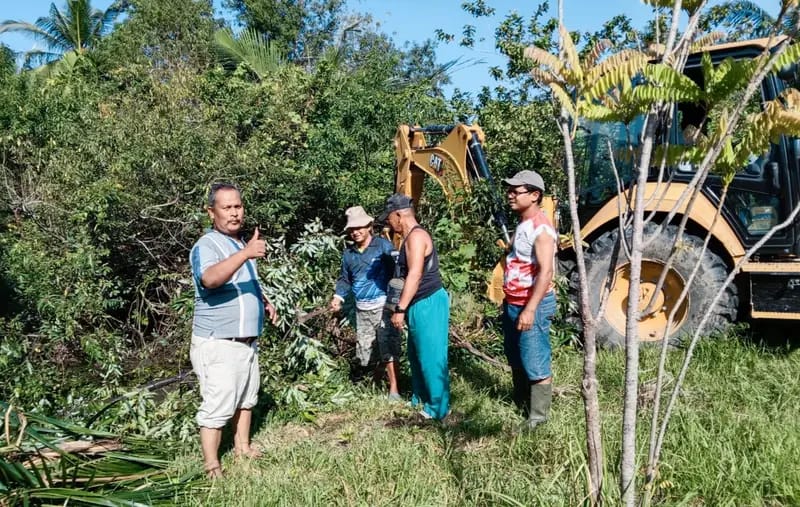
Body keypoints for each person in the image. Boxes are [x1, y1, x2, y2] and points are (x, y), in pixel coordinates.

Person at [189, 182, 278, 479]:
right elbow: (211, 279)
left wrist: (263, 301)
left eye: (237, 206)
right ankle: (212, 466)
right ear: (211, 211)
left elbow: (241, 281)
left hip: (245, 342)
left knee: (246, 398)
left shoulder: (239, 243)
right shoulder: (207, 244)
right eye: (226, 207)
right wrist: (247, 253)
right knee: (217, 405)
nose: (234, 213)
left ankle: (242, 448)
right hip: (219, 341)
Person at [381, 194, 451, 421]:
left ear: (399, 215)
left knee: (431, 354)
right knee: (416, 353)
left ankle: (437, 408)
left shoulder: (416, 237)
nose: (388, 223)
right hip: (417, 304)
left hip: (428, 302)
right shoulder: (408, 238)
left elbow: (415, 274)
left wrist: (400, 309)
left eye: (389, 218)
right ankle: (420, 397)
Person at [501, 170, 557, 431]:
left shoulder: (542, 229)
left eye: (516, 191)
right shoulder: (523, 223)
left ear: (535, 195)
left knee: (535, 360)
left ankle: (537, 419)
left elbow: (546, 272)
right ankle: (521, 402)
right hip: (513, 302)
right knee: (516, 356)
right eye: (509, 190)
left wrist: (530, 309)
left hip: (529, 304)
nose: (510, 195)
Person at [330, 206, 402, 400]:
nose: (356, 232)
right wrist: (338, 297)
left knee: (388, 346)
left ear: (370, 226)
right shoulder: (349, 254)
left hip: (383, 306)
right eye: (352, 229)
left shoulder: (382, 247)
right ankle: (376, 383)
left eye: (360, 227)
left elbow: (398, 269)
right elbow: (345, 279)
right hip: (363, 310)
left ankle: (394, 390)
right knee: (367, 351)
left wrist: (397, 303)